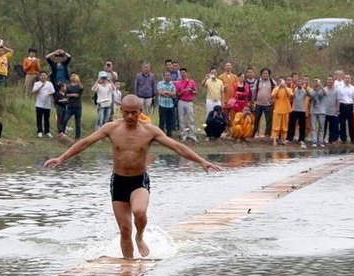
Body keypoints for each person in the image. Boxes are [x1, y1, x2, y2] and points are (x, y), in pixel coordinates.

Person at [43, 95, 221, 259]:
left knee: (139, 211)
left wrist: (202, 161)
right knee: (124, 229)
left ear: (140, 112)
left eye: (133, 113)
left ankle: (140, 236)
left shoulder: (150, 131)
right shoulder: (111, 128)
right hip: (118, 181)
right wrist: (62, 158)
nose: (129, 116)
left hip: (139, 180)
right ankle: (128, 266)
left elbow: (177, 147)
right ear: (121, 110)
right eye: (126, 112)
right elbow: (85, 142)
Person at [175, 67, 198, 142]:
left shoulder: (191, 82)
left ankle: (192, 135)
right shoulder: (178, 83)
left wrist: (191, 91)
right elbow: (177, 94)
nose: (183, 74)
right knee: (181, 119)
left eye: (184, 73)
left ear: (186, 73)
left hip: (189, 102)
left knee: (191, 119)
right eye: (181, 73)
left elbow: (196, 92)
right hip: (181, 101)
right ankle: (183, 135)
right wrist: (182, 91)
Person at [252, 68, 276, 138]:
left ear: (269, 74)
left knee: (268, 120)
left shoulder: (272, 82)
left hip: (268, 104)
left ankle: (267, 134)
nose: (265, 74)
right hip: (258, 103)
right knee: (256, 119)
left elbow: (276, 91)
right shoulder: (257, 81)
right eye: (263, 73)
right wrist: (253, 101)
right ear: (261, 74)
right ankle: (253, 134)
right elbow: (254, 91)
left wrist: (273, 100)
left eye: (266, 73)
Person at [270, 77, 293, 146]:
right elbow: (273, 97)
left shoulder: (289, 89)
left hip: (286, 110)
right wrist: (279, 88)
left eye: (282, 81)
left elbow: (290, 96)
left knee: (284, 126)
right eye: (279, 81)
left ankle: (283, 140)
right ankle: (274, 140)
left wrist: (285, 88)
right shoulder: (275, 89)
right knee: (275, 126)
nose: (281, 82)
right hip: (277, 109)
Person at [337, 74, 354, 143]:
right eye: (346, 78)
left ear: (350, 79)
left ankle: (353, 139)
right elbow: (337, 99)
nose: (347, 79)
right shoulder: (339, 88)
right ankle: (343, 139)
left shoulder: (353, 88)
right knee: (342, 123)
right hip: (342, 106)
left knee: (351, 123)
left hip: (350, 106)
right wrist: (337, 109)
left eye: (349, 78)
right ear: (344, 79)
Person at [32, 71, 55, 138]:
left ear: (46, 76)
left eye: (44, 75)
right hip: (39, 104)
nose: (43, 76)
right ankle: (39, 131)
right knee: (39, 118)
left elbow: (53, 92)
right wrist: (41, 87)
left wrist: (49, 94)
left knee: (46, 118)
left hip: (47, 104)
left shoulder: (49, 83)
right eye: (42, 75)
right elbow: (34, 92)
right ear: (39, 77)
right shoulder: (37, 84)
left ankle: (47, 131)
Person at [287, 77, 307, 147]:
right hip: (294, 109)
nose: (299, 83)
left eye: (300, 82)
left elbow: (310, 95)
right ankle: (289, 138)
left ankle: (301, 139)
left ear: (302, 84)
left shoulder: (305, 91)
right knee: (291, 124)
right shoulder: (293, 90)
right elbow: (290, 97)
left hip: (302, 110)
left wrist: (306, 86)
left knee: (302, 125)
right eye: (298, 82)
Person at [63, 73, 84, 140]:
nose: (73, 77)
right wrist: (73, 95)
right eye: (72, 76)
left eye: (74, 76)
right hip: (70, 106)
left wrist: (78, 81)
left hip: (78, 106)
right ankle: (62, 134)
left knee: (77, 122)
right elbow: (65, 95)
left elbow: (80, 91)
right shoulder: (68, 86)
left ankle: (77, 137)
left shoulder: (79, 86)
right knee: (65, 119)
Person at [156, 71, 177, 137]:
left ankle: (169, 134)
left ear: (170, 76)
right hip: (162, 105)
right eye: (166, 75)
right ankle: (160, 135)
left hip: (170, 105)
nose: (167, 77)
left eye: (168, 75)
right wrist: (170, 94)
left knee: (170, 121)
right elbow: (160, 93)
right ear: (164, 76)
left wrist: (166, 92)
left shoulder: (172, 85)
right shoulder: (160, 83)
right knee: (162, 121)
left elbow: (174, 94)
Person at [310, 78, 327, 147]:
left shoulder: (323, 90)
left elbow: (325, 93)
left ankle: (320, 141)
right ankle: (314, 141)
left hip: (322, 111)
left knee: (321, 127)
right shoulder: (312, 90)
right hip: (313, 111)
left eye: (317, 81)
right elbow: (310, 96)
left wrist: (321, 85)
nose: (316, 83)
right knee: (313, 127)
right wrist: (314, 87)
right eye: (315, 82)